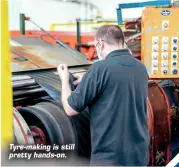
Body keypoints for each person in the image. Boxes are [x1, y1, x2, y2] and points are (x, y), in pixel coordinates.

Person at [57, 25, 150, 166]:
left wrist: (64, 80)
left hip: (110, 159)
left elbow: (70, 108)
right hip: (138, 156)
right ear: (122, 41)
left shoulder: (100, 68)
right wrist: (89, 78)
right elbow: (117, 82)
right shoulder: (140, 68)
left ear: (100, 44)